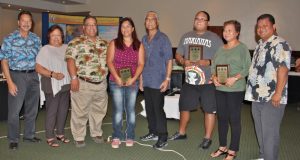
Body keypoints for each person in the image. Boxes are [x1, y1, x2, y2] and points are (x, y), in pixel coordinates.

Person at [169, 11, 223, 150]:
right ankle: (182, 133)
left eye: (203, 19)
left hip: (208, 82)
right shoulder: (186, 36)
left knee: (209, 110)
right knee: (184, 107)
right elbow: (178, 54)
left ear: (207, 22)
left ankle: (207, 138)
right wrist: (182, 60)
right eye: (197, 18)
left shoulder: (215, 38)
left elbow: (223, 56)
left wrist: (209, 61)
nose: (199, 21)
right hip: (190, 81)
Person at [245, 14, 291, 160]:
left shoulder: (280, 43)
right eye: (259, 26)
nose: (261, 29)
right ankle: (263, 156)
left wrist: (278, 94)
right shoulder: (260, 44)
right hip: (257, 96)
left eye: (265, 26)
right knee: (260, 131)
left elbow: (283, 69)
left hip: (272, 97)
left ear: (274, 27)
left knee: (270, 133)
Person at [0, 10, 42, 150]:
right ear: (18, 23)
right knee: (14, 111)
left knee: (32, 109)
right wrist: (10, 81)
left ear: (32, 23)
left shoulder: (36, 39)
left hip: (33, 76)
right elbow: (4, 61)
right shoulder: (9, 38)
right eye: (23, 21)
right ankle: (13, 138)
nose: (26, 23)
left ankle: (29, 135)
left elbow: (39, 60)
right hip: (16, 76)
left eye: (29, 21)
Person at [210, 20, 251, 160]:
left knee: (234, 119)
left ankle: (233, 150)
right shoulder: (220, 49)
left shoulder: (242, 48)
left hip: (236, 89)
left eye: (230, 30)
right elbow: (213, 66)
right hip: (220, 88)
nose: (226, 33)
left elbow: (247, 68)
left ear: (237, 33)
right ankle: (222, 147)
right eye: (225, 30)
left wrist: (235, 78)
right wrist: (214, 77)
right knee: (221, 118)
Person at [65, 15, 108, 148]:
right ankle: (78, 136)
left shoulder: (105, 43)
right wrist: (73, 78)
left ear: (97, 27)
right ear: (84, 27)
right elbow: (70, 60)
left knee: (99, 110)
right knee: (80, 111)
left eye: (94, 24)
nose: (91, 27)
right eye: (88, 25)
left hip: (101, 84)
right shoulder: (75, 42)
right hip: (83, 83)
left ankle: (96, 132)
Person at [107, 17, 145, 148]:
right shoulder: (114, 43)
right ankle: (117, 135)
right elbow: (109, 62)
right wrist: (117, 77)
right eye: (123, 26)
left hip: (132, 82)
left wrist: (133, 79)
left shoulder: (139, 45)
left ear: (133, 29)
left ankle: (130, 135)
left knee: (130, 110)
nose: (125, 29)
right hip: (115, 81)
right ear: (120, 29)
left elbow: (141, 64)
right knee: (118, 110)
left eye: (128, 26)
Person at [139, 11, 173, 149]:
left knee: (158, 109)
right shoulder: (143, 39)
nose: (149, 22)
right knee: (149, 108)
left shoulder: (163, 38)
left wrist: (167, 79)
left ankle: (163, 136)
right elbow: (141, 61)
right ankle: (152, 132)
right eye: (147, 19)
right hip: (146, 80)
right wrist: (141, 79)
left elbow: (169, 60)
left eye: (152, 19)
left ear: (157, 22)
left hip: (159, 81)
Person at [35, 25, 71, 147]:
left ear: (62, 37)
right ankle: (50, 136)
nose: (56, 38)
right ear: (49, 37)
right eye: (53, 35)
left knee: (63, 110)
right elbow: (38, 68)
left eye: (58, 35)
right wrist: (53, 74)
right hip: (51, 83)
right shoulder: (45, 49)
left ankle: (60, 133)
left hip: (65, 84)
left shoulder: (67, 48)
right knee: (52, 111)